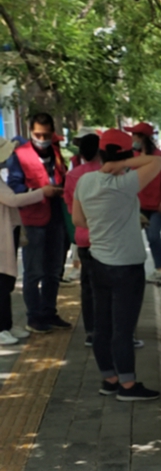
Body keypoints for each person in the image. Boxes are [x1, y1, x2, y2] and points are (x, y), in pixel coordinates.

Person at [72, 129, 161, 401]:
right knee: (123, 328)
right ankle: (127, 385)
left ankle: (109, 379)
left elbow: (79, 220)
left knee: (102, 325)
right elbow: (157, 161)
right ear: (127, 154)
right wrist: (123, 164)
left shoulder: (85, 181)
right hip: (126, 266)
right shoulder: (125, 184)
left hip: (97, 261)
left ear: (101, 153)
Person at [7, 112, 71, 333]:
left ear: (52, 133)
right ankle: (34, 317)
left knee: (54, 270)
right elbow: (15, 187)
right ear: (30, 133)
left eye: (46, 135)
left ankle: (49, 312)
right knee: (34, 272)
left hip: (57, 216)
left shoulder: (55, 152)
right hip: (33, 219)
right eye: (37, 135)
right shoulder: (20, 155)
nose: (41, 139)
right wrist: (39, 191)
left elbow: (62, 176)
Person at [0, 139, 61, 345]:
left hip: (7, 233)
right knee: (2, 283)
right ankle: (1, 328)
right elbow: (14, 199)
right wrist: (42, 192)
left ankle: (7, 325)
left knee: (6, 282)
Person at [64, 132, 102, 346]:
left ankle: (91, 332)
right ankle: (116, 331)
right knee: (111, 287)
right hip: (107, 238)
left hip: (84, 237)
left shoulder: (73, 175)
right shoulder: (108, 173)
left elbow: (71, 208)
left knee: (88, 287)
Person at [125, 122, 161, 284]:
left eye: (134, 135)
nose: (132, 138)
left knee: (153, 235)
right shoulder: (133, 156)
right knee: (151, 237)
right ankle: (159, 269)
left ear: (142, 137)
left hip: (157, 203)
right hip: (141, 204)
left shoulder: (159, 155)